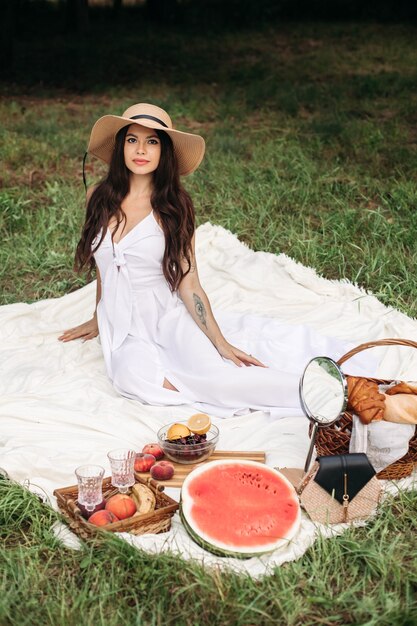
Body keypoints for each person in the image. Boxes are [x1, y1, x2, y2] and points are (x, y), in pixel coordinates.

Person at [58, 103, 367, 418]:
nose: (141, 149)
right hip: (124, 327)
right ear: (121, 145)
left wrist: (220, 342)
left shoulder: (174, 206)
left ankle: (339, 391)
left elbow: (189, 282)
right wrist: (99, 317)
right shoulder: (98, 196)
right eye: (132, 140)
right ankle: (202, 390)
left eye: (152, 142)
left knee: (219, 378)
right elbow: (105, 267)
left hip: (165, 314)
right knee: (131, 378)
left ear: (164, 152)